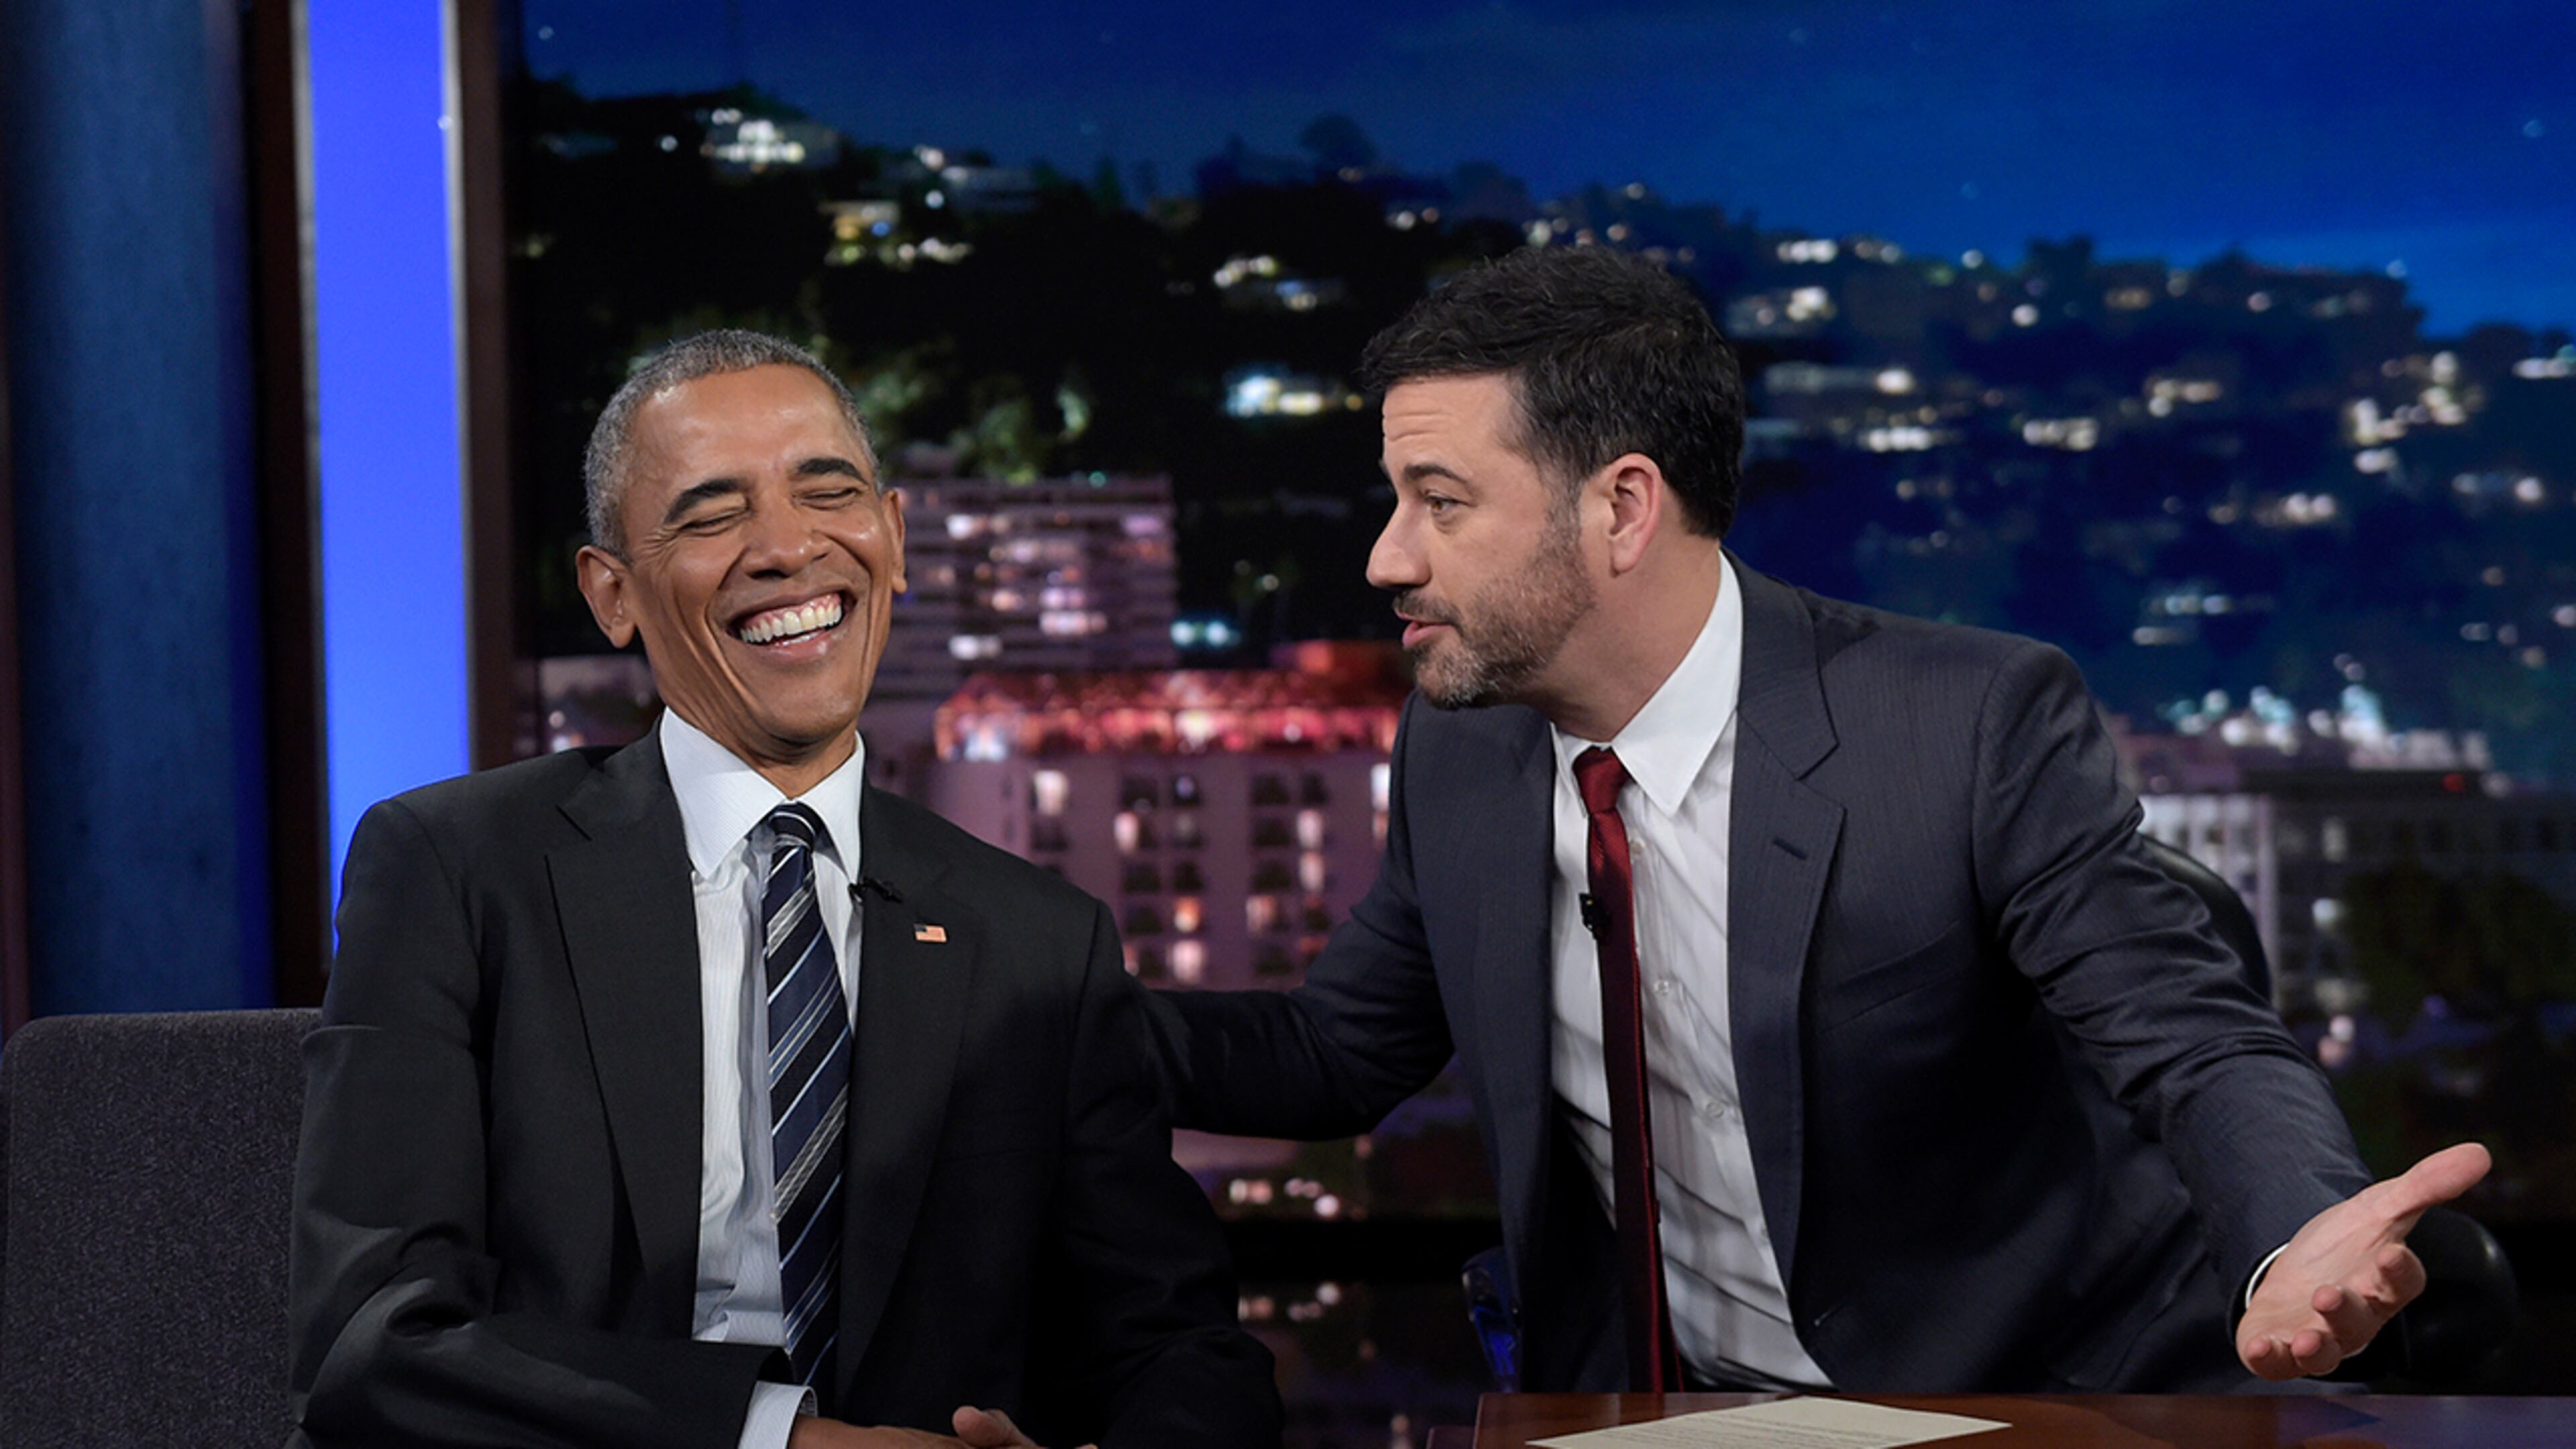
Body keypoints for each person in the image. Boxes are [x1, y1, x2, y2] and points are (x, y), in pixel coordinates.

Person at [1146, 246, 2489, 1394]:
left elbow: (2193, 1044)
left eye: (1439, 504)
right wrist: (1008, 989)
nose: (1386, 556)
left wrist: (2294, 1238)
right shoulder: (1459, 748)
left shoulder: (1967, 726)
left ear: (1622, 508)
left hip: (2023, 1410)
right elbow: (1331, 1057)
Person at [289, 331, 1281, 1449]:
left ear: (894, 539)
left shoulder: (1041, 943)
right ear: (612, 595)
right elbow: (375, 1338)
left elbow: (1177, 1346)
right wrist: (783, 1444)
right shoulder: (457, 871)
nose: (787, 547)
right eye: (713, 517)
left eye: (830, 492)